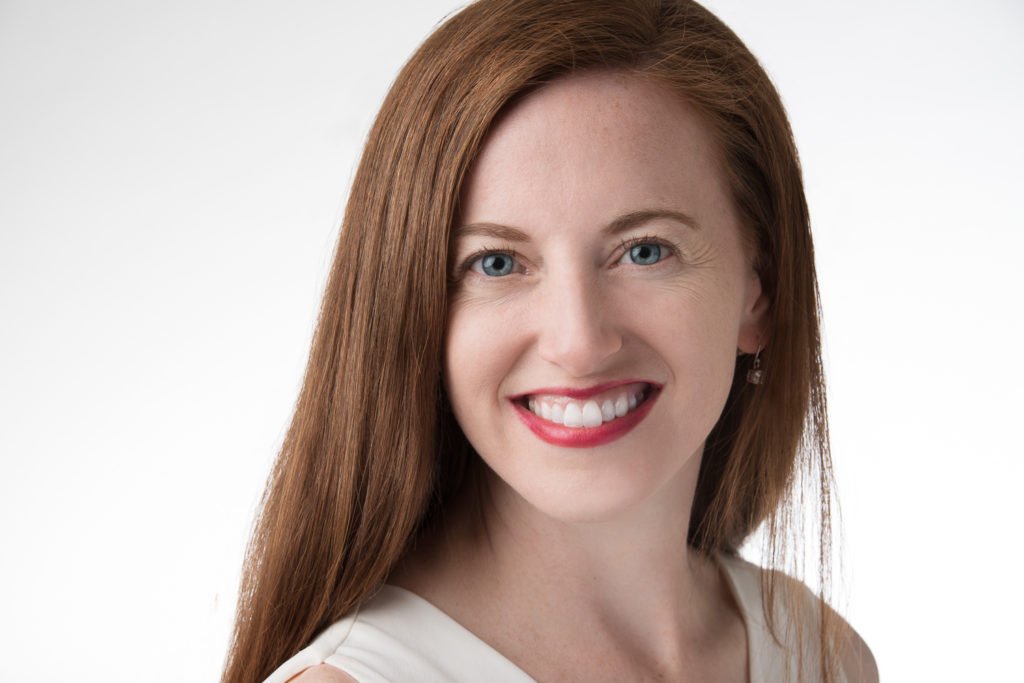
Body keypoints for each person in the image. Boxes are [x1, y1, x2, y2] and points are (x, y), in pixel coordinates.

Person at [223, 1, 877, 681]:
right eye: (496, 263)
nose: (579, 342)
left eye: (646, 250)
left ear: (759, 288)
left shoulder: (821, 656)